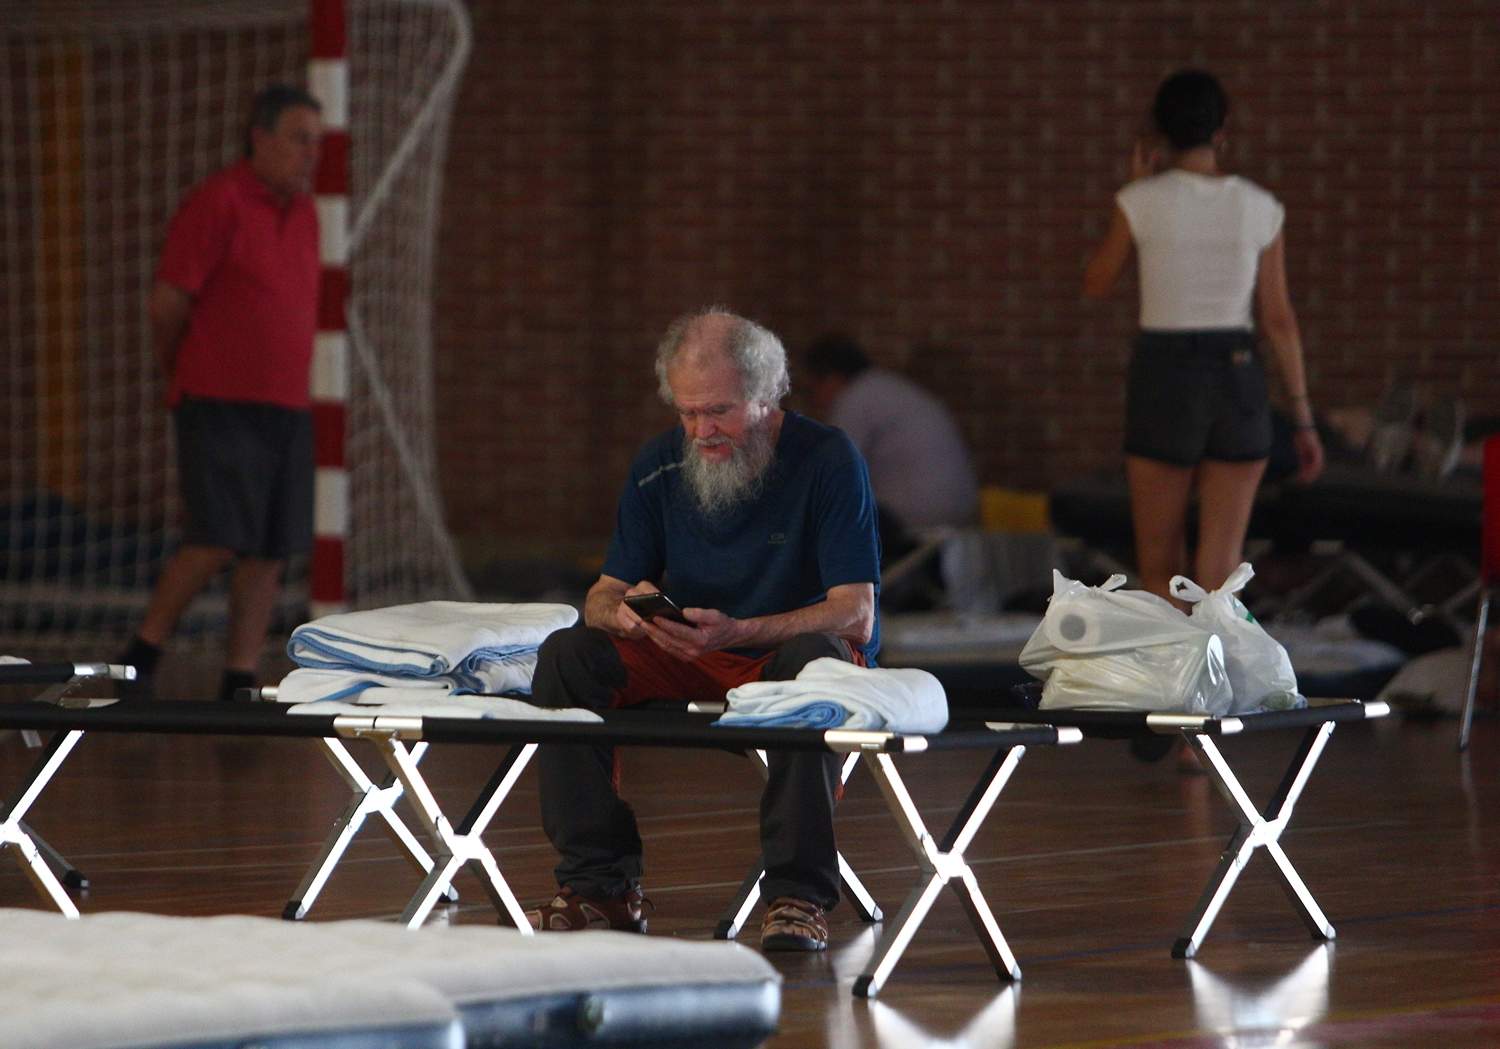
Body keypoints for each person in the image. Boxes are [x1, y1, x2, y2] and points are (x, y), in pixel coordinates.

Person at [526, 309, 881, 952]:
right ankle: (600, 887)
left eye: (718, 412)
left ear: (766, 396)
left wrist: (740, 629)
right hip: (691, 649)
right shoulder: (658, 463)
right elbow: (601, 594)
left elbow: (856, 613)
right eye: (687, 413)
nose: (701, 431)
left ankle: (798, 896)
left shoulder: (828, 458)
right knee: (567, 656)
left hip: (784, 656)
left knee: (816, 664)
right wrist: (623, 611)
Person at [1083, 68, 1324, 605]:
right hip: (1237, 372)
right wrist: (1303, 418)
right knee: (1220, 569)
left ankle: (1174, 663)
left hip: (1166, 371)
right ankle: (1218, 660)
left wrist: (1137, 191)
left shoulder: (1141, 200)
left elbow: (1096, 282)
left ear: (1160, 133)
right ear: (1222, 130)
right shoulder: (1260, 206)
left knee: (1161, 566)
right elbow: (1278, 318)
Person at [118, 84, 323, 702]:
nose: (310, 154)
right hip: (219, 402)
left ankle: (239, 675)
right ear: (259, 138)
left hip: (287, 404)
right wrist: (183, 370)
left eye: (316, 142)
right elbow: (167, 303)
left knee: (270, 546)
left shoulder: (308, 214)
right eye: (299, 139)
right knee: (215, 536)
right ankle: (142, 653)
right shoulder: (218, 201)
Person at [803, 334, 979, 564]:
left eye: (812, 390)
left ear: (831, 378)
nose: (815, 402)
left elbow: (832, 471)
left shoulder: (855, 399)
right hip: (962, 513)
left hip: (915, 516)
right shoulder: (888, 387)